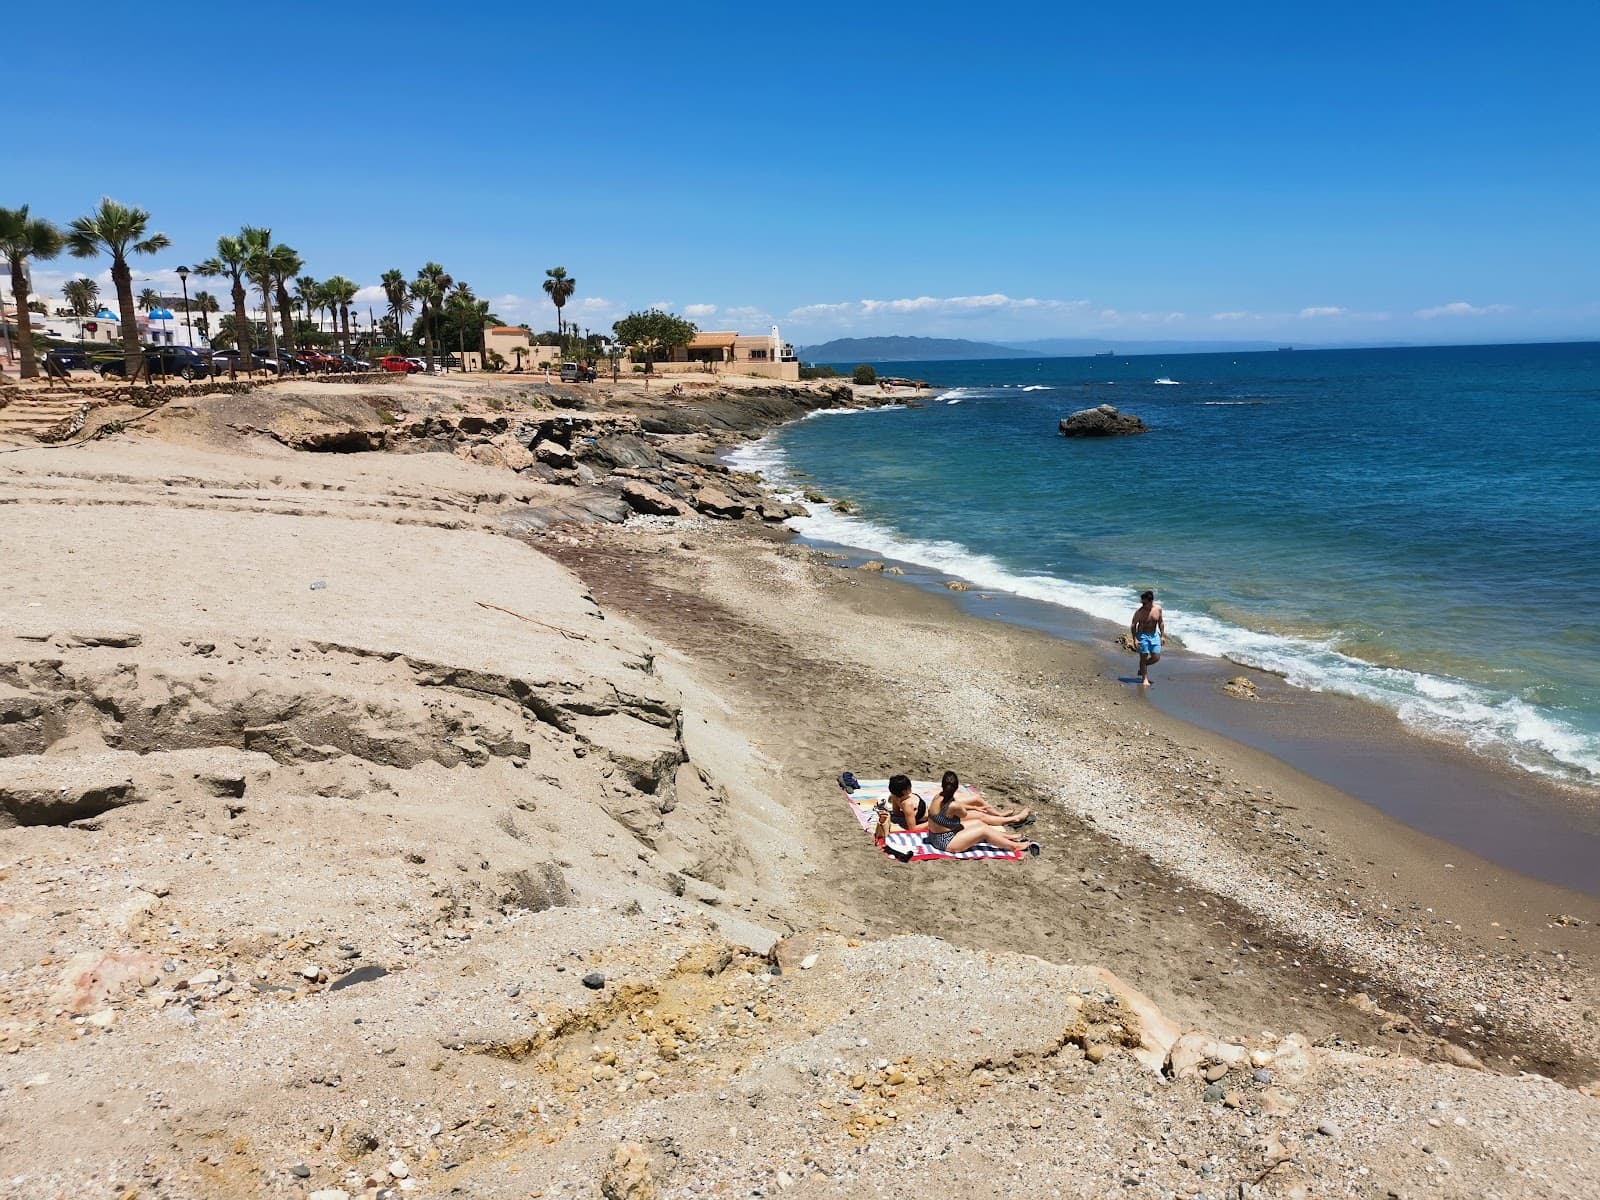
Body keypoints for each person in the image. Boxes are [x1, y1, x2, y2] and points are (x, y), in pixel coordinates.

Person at [924, 771, 1041, 856]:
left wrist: (974, 807)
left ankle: (1007, 837)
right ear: (956, 788)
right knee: (983, 831)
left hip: (934, 836)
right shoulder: (953, 805)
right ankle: (1015, 846)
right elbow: (963, 814)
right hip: (945, 842)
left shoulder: (938, 797)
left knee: (979, 823)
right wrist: (975, 808)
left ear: (942, 786)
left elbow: (955, 807)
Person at [1131, 589, 1166, 687]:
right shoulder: (1139, 612)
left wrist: (1162, 635)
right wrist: (1135, 639)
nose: (1142, 605)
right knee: (1144, 656)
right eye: (1142, 603)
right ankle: (1144, 678)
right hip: (1142, 635)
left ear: (1151, 602)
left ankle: (1142, 667)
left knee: (1156, 658)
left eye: (1144, 603)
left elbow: (1161, 622)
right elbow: (1133, 625)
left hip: (1154, 635)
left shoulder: (1158, 609)